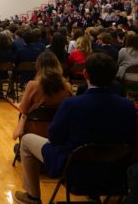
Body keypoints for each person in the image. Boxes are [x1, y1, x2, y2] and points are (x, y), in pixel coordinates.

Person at [14, 52, 135, 204]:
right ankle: (93, 195)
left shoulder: (73, 105)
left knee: (25, 140)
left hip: (75, 170)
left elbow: (54, 136)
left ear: (85, 74)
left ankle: (33, 196)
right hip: (114, 174)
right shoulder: (128, 107)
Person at [12, 51, 72, 140]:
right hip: (58, 134)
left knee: (23, 115)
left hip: (35, 133)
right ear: (57, 66)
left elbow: (23, 110)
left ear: (38, 67)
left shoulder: (33, 85)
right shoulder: (67, 87)